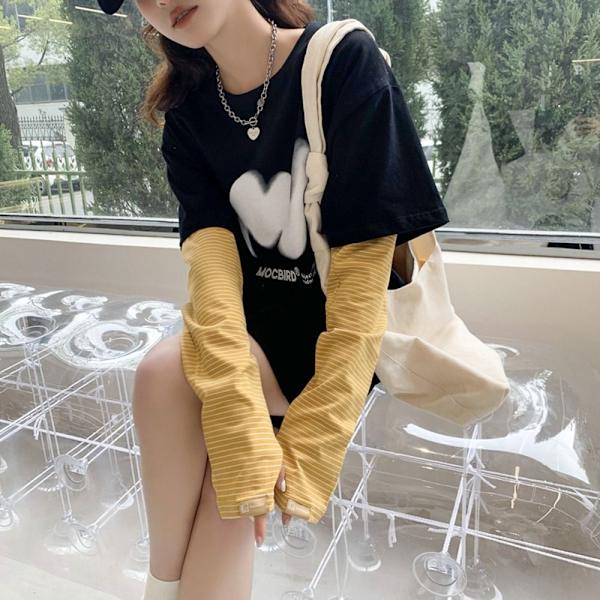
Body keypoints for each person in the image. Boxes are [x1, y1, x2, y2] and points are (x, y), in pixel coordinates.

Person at [96, 1, 450, 598]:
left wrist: (316, 434)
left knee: (225, 477)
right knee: (170, 387)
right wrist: (233, 406)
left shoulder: (343, 61)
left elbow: (362, 285)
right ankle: (161, 585)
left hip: (337, 342)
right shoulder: (188, 111)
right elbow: (211, 271)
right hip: (252, 330)